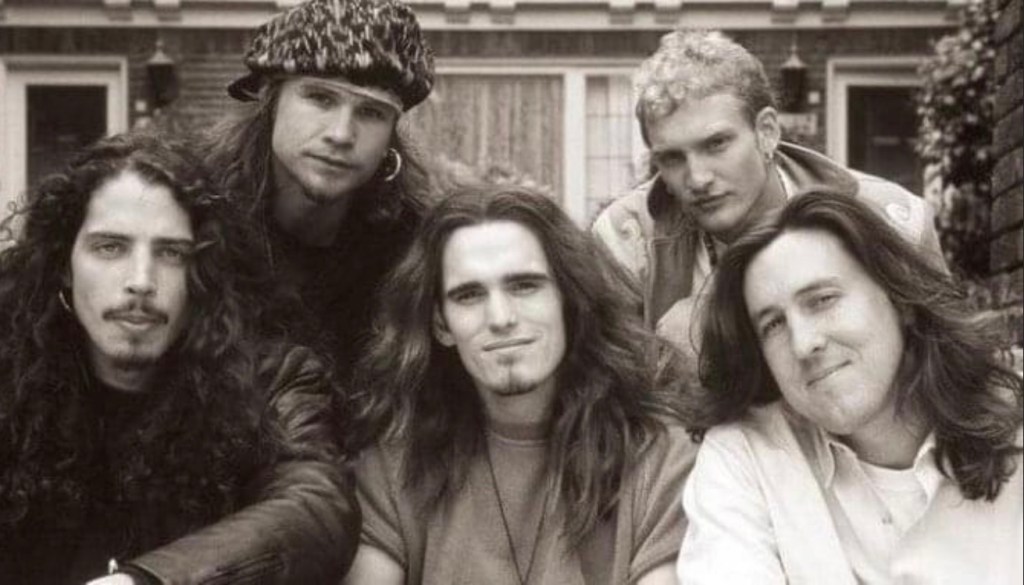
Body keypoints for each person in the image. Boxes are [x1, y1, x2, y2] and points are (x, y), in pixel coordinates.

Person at [0, 132, 359, 584]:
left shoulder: (272, 378)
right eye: (110, 247)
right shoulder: (11, 370)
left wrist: (146, 581)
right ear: (63, 267)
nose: (140, 280)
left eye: (171, 253)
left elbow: (315, 506)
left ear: (203, 273)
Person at [342, 184, 697, 585]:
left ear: (570, 299)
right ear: (441, 324)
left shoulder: (657, 454)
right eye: (469, 295)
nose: (501, 318)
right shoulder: (397, 461)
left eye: (524, 286)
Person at [679, 191, 1023, 584]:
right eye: (773, 324)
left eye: (822, 300)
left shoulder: (1013, 421)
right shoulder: (744, 457)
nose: (803, 343)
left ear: (900, 299)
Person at [592, 29, 944, 356]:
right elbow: (608, 388)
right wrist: (668, 360)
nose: (697, 179)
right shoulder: (627, 241)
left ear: (767, 132)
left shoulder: (892, 223)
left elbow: (948, 370)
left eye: (716, 144)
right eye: (672, 158)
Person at [205, 0, 436, 377]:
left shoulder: (413, 251)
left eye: (372, 112)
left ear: (390, 138)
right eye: (321, 98)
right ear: (269, 102)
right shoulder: (196, 219)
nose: (341, 134)